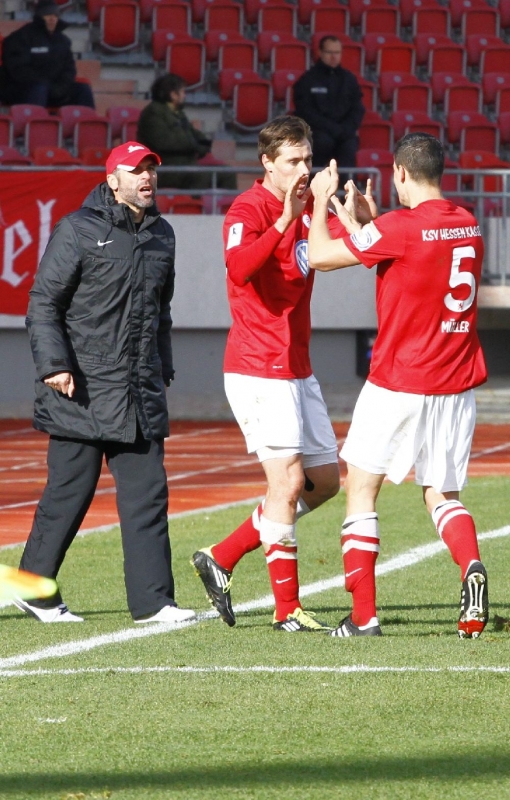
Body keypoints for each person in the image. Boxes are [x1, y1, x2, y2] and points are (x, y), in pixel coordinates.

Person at [307, 133, 489, 639]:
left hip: (400, 379)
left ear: (401, 173)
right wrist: (368, 225)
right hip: (456, 382)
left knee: (362, 490)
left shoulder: (400, 227)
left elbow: (320, 256)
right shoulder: (468, 223)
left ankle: (363, 617)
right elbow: (414, 257)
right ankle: (471, 569)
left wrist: (324, 202)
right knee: (441, 493)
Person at [13, 141, 196, 626]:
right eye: (137, 171)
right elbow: (43, 303)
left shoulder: (164, 236)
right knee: (68, 495)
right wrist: (54, 364)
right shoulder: (76, 229)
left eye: (152, 170)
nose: (147, 179)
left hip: (138, 389)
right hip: (81, 389)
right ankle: (33, 590)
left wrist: (163, 367)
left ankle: (154, 603)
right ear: (112, 179)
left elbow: (161, 312)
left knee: (149, 495)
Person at [191, 115, 343, 633]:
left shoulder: (310, 207)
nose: (304, 169)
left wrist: (363, 219)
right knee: (287, 482)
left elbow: (345, 250)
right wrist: (284, 219)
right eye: (293, 162)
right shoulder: (247, 208)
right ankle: (287, 611)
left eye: (308, 159)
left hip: (297, 365)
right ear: (267, 165)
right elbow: (239, 268)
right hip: (258, 366)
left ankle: (223, 553)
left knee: (324, 484)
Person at [137, 73, 236, 192]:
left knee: (227, 173)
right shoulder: (153, 113)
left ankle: (227, 209)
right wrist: (193, 145)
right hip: (162, 168)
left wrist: (201, 145)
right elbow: (164, 143)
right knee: (200, 176)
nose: (185, 95)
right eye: (183, 92)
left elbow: (196, 136)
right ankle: (194, 207)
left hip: (184, 165)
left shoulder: (177, 113)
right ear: (173, 95)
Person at [0, 0, 95, 109]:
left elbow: (69, 69)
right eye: (48, 15)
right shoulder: (20, 37)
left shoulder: (63, 41)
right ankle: (34, 123)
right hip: (21, 88)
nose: (52, 19)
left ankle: (88, 124)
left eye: (55, 15)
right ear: (39, 16)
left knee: (83, 89)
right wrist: (44, 84)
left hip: (53, 89)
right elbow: (17, 69)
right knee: (39, 88)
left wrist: (61, 87)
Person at [293, 35, 364, 171]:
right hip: (318, 134)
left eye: (337, 53)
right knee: (321, 143)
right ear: (320, 52)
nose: (333, 57)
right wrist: (332, 128)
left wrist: (346, 129)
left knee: (349, 147)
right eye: (329, 52)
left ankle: (347, 190)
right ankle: (312, 188)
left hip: (344, 134)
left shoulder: (349, 80)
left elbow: (358, 109)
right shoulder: (308, 80)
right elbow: (305, 111)